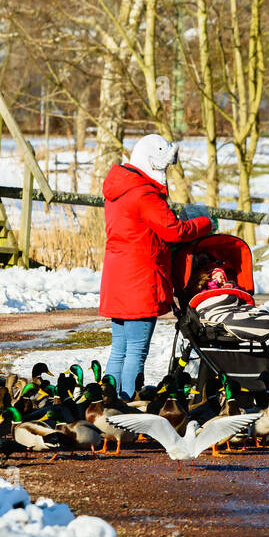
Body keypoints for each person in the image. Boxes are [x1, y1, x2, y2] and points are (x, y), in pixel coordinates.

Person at [99, 134, 216, 398]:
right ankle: (127, 406)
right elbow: (173, 230)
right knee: (137, 351)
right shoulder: (144, 194)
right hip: (140, 280)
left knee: (120, 348)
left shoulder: (120, 188)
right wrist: (206, 224)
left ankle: (108, 402)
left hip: (118, 278)